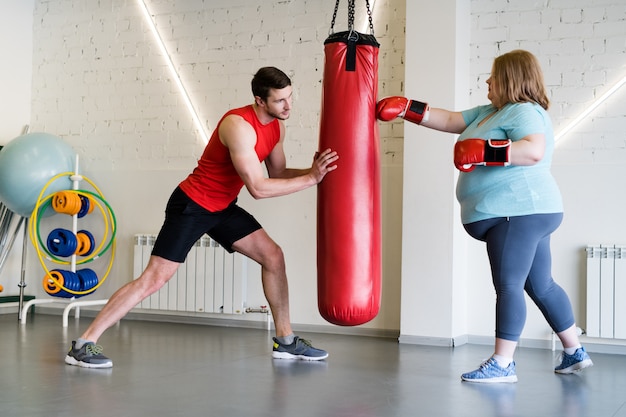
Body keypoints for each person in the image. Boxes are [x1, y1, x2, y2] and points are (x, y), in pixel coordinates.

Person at [65, 66, 339, 368]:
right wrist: (311, 180)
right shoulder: (238, 126)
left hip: (221, 207)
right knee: (154, 279)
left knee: (273, 256)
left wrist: (315, 171)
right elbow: (259, 189)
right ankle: (83, 343)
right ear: (260, 100)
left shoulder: (277, 127)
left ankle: (285, 341)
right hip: (193, 205)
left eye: (289, 98)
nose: (288, 106)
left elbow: (279, 173)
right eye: (279, 101)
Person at [376, 49, 592, 383]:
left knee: (508, 286)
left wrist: (484, 152)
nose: (487, 80)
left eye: (493, 75)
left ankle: (503, 364)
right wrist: (408, 108)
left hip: (517, 211)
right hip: (528, 210)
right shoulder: (490, 112)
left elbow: (533, 150)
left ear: (510, 79)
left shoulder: (524, 112)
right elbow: (448, 120)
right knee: (541, 285)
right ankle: (575, 352)